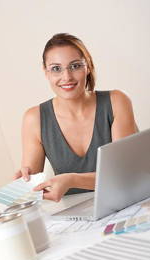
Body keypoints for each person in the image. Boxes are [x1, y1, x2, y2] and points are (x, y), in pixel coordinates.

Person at [14, 33, 138, 202]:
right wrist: (24, 184)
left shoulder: (116, 101)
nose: (67, 77)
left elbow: (125, 173)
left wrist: (72, 180)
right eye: (56, 68)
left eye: (75, 66)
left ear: (88, 67)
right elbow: (32, 190)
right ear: (46, 72)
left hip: (127, 202)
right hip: (75, 219)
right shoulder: (34, 118)